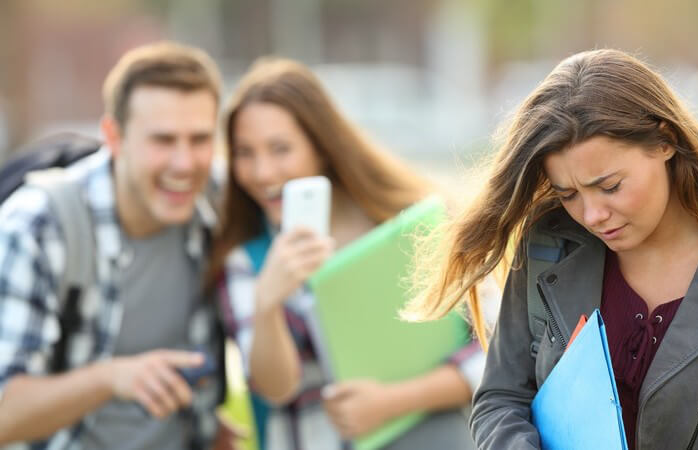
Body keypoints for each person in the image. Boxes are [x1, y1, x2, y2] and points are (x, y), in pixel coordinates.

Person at [403, 49, 698, 449]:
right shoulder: (547, 247)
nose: (592, 214)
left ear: (665, 140)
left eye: (610, 187)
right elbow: (502, 398)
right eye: (569, 194)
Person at [207, 58, 484, 450]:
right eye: (244, 153)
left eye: (280, 149)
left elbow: (490, 355)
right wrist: (268, 302)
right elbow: (274, 388)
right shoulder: (246, 260)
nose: (262, 171)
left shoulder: (408, 226)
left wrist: (388, 403)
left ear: (321, 147)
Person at [0, 42, 232, 449]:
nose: (185, 163)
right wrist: (110, 378)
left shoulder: (219, 205)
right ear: (114, 136)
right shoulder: (39, 227)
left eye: (199, 139)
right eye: (163, 140)